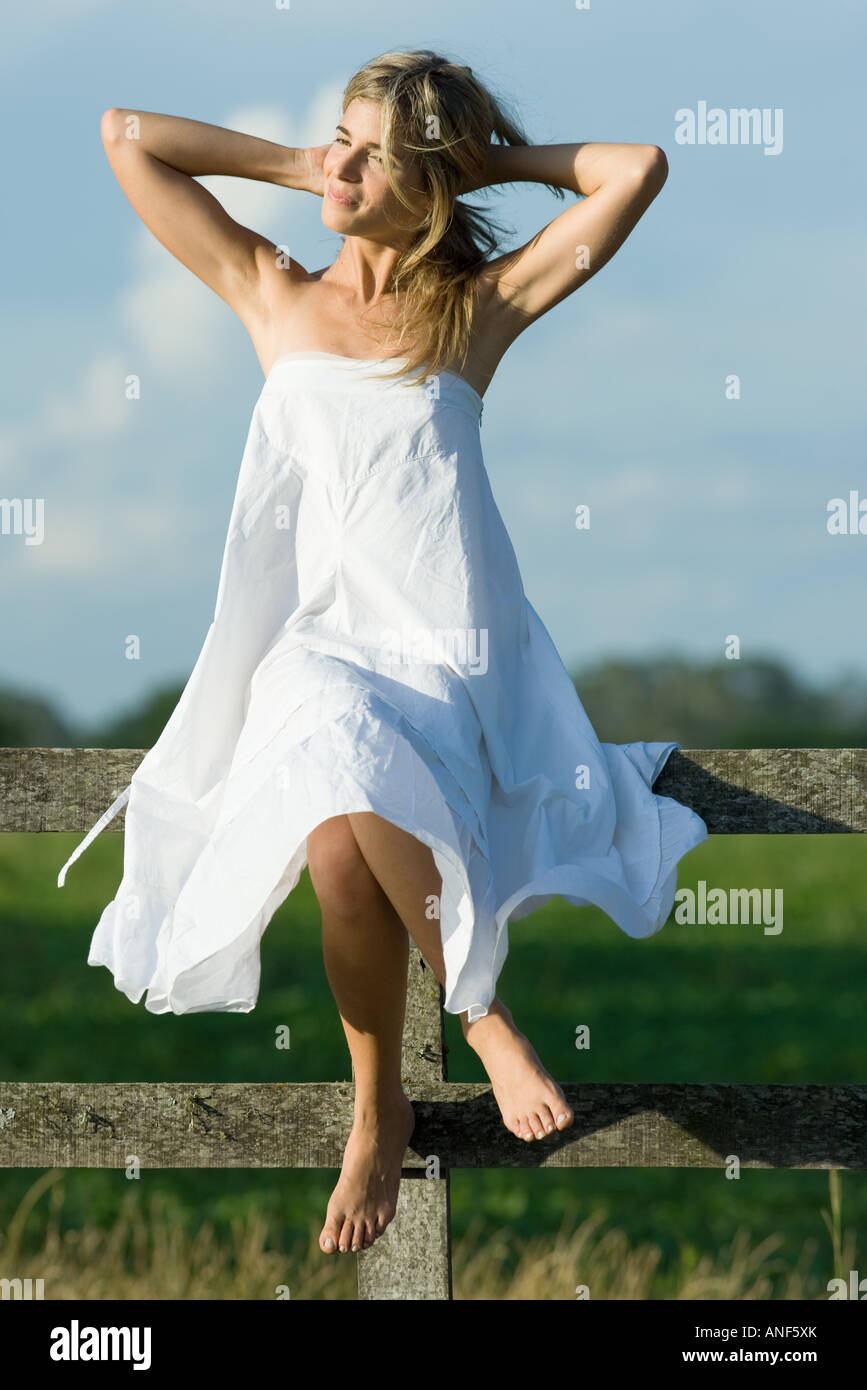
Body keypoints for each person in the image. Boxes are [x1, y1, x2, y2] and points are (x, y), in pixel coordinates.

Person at [60, 49, 707, 1259]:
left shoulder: (478, 311)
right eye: (338, 139)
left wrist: (484, 158)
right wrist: (302, 161)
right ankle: (448, 1037)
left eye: (375, 154)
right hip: (314, 657)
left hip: (443, 670)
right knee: (320, 735)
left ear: (433, 183)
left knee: (340, 840)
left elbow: (638, 169)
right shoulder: (270, 287)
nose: (343, 166)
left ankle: (397, 1084)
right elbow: (124, 134)